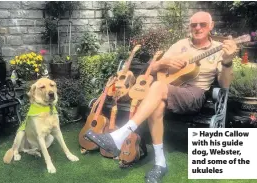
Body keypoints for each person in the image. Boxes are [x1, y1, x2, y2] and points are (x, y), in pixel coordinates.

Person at [85, 11, 237, 183]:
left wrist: (227, 61)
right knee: (156, 105)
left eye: (202, 24)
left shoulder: (218, 49)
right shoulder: (180, 44)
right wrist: (164, 63)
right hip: (170, 88)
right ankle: (160, 162)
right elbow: (154, 66)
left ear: (211, 26)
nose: (198, 28)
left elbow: (224, 85)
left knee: (157, 87)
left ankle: (119, 136)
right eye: (194, 24)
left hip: (195, 94)